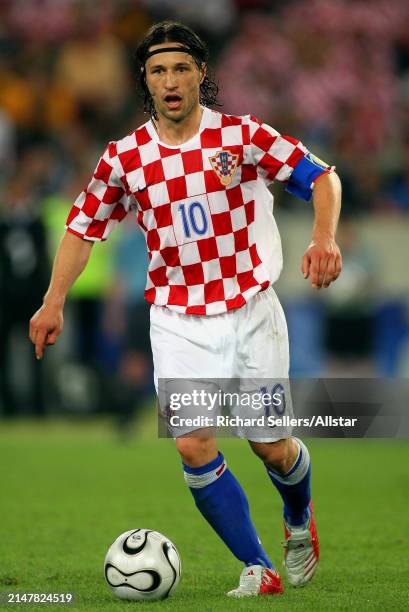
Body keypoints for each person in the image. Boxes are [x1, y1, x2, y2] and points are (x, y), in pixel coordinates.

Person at [29, 21, 342, 597]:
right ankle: (258, 567)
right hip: (177, 316)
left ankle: (299, 517)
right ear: (144, 82)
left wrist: (323, 238)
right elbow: (81, 228)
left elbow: (322, 177)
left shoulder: (243, 137)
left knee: (271, 446)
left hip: (250, 306)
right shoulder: (124, 157)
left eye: (179, 68)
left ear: (201, 74)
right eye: (156, 70)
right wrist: (53, 301)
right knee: (193, 442)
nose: (169, 80)